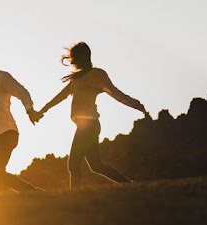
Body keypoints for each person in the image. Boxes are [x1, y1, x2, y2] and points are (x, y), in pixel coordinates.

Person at [37, 42, 150, 189]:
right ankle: (130, 185)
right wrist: (42, 110)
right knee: (96, 166)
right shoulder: (76, 79)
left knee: (73, 164)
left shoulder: (98, 74)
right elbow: (60, 96)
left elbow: (117, 94)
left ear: (83, 57)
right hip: (85, 125)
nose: (72, 62)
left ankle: (74, 199)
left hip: (89, 124)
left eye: (74, 58)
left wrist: (136, 104)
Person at [0, 48, 43, 193]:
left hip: (7, 133)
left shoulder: (2, 77)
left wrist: (29, 110)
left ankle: (32, 192)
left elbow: (21, 91)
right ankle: (9, 206)